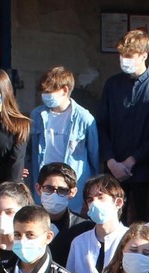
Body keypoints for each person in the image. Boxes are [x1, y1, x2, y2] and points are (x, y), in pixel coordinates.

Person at [98, 29, 149, 221]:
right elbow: (101, 125)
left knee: (144, 222)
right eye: (122, 55)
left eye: (130, 56)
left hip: (145, 172)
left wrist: (132, 160)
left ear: (144, 55)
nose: (124, 60)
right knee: (111, 220)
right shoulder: (112, 85)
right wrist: (110, 161)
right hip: (113, 170)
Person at [29, 66, 100, 211]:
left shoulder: (84, 118)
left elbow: (94, 156)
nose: (45, 96)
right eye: (44, 92)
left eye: (49, 91)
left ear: (65, 90)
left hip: (72, 187)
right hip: (44, 184)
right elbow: (31, 150)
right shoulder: (37, 115)